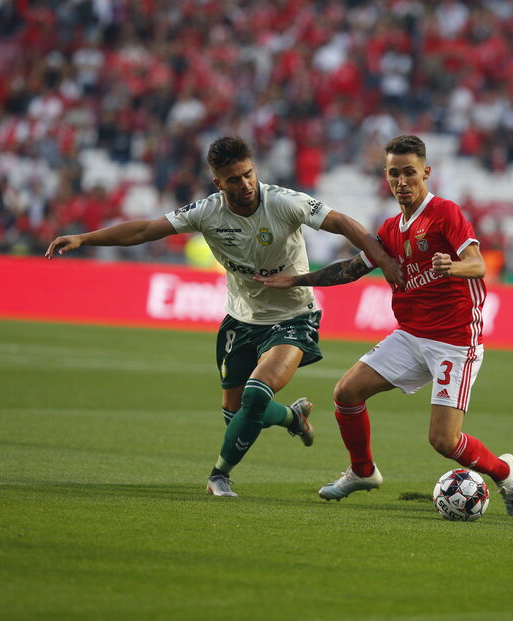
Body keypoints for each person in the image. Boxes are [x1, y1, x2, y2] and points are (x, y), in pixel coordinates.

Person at [45, 135, 404, 497]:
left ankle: (219, 475)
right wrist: (84, 239)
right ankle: (292, 417)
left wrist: (384, 261)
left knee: (256, 393)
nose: (245, 184)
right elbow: (143, 230)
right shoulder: (206, 212)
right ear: (219, 183)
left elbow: (342, 223)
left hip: (294, 316)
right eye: (234, 179)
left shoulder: (284, 202)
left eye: (248, 174)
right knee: (238, 414)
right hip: (240, 321)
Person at [256, 135, 513, 517]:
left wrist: (454, 267)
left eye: (409, 173)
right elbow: (351, 269)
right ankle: (362, 471)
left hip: (453, 340)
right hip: (411, 334)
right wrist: (297, 279)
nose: (402, 181)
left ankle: (503, 470)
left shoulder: (444, 213)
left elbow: (478, 263)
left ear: (426, 173)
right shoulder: (389, 230)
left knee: (443, 440)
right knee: (347, 392)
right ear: (386, 176)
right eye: (394, 174)